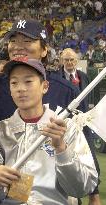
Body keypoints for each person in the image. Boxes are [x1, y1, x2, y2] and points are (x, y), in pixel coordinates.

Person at [0, 58, 98, 205]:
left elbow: (82, 188)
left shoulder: (66, 128)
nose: (21, 88)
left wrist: (62, 149)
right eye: (14, 83)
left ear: (45, 86)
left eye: (28, 81)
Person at [0, 19, 80, 124]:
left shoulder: (67, 92)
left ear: (44, 50)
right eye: (13, 41)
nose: (17, 47)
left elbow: (81, 136)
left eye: (27, 41)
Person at [59, 48, 101, 204]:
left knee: (91, 159)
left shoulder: (83, 76)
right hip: (65, 127)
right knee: (67, 160)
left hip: (84, 126)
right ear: (61, 61)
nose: (69, 63)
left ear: (76, 61)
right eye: (66, 60)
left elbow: (88, 98)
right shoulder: (57, 78)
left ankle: (94, 194)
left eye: (72, 60)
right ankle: (73, 198)